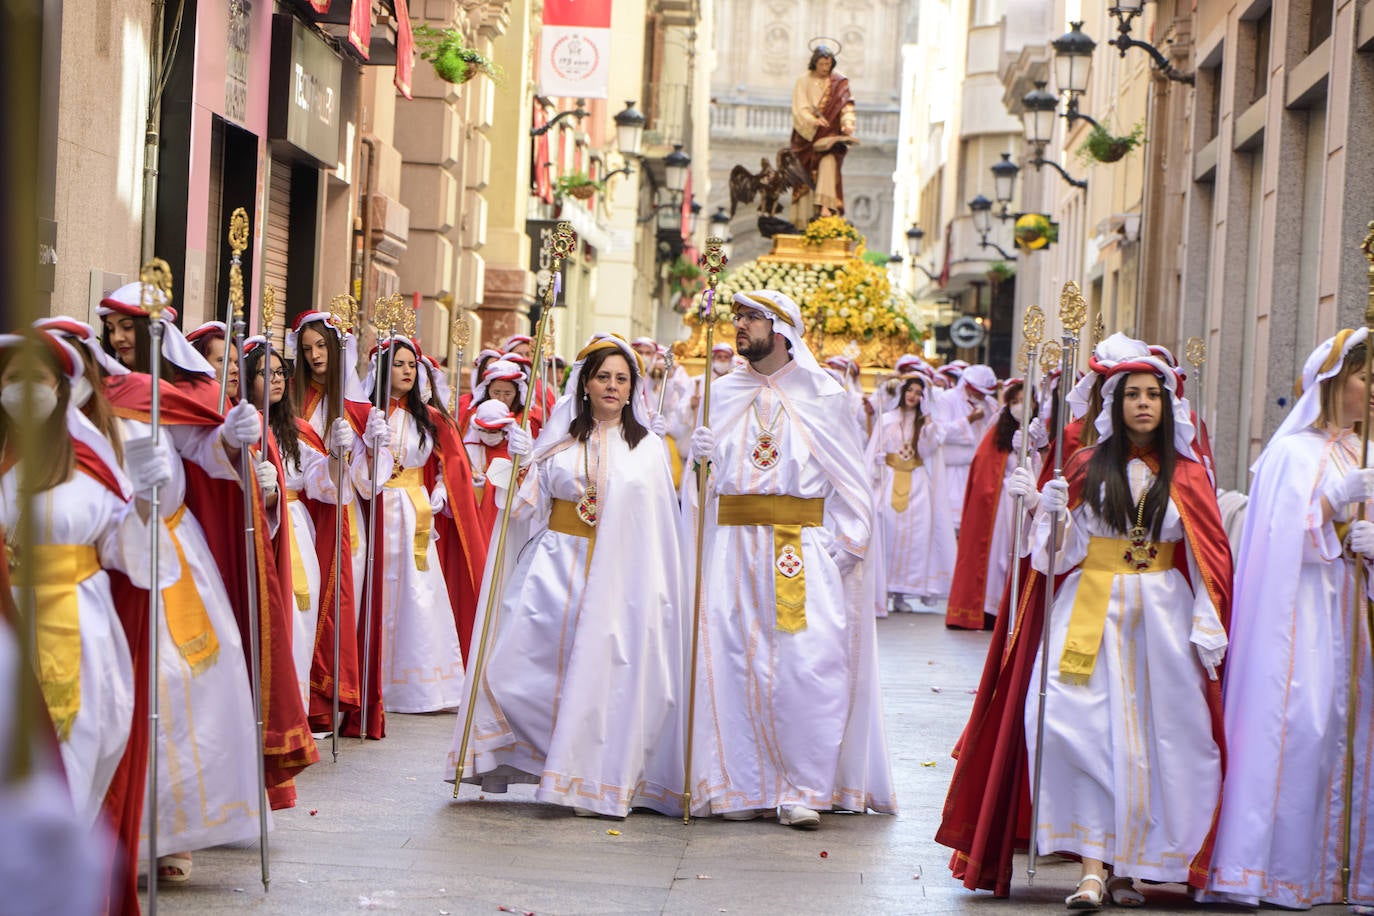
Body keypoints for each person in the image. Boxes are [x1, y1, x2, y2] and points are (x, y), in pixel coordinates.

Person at [447, 334, 688, 818]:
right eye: (604, 377)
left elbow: (661, 528)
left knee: (604, 676)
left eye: (622, 378)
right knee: (517, 672)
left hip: (620, 578)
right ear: (586, 385)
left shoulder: (648, 449)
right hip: (555, 568)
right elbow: (520, 508)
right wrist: (516, 466)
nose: (613, 386)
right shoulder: (559, 442)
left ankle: (587, 772)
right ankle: (547, 758)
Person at [685, 289, 894, 828]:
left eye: (749, 318)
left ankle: (802, 788)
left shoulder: (823, 394)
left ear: (779, 328)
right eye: (735, 317)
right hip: (731, 549)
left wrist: (835, 549)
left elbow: (853, 485)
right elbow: (696, 497)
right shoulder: (720, 393)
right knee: (730, 664)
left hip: (798, 550)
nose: (738, 326)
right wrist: (698, 465)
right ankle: (737, 788)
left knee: (806, 668)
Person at [1028, 358, 1230, 906]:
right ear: (1115, 404)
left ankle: (1128, 865)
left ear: (1167, 407)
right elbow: (1052, 562)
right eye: (1132, 394)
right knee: (1074, 725)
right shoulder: (1085, 465)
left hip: (1162, 614)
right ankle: (1093, 867)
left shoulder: (1186, 473)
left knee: (1158, 738)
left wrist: (1208, 622)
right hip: (1090, 606)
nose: (1143, 403)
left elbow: (1209, 557)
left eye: (1153, 395)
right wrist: (1049, 515)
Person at [1207, 328, 1374, 909]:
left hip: (1352, 608)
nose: (1372, 388)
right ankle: (1279, 869)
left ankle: (1341, 873)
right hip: (1301, 613)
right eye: (1362, 376)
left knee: (1348, 730)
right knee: (1302, 724)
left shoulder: (1362, 450)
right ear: (1331, 384)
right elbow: (1282, 539)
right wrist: (1332, 506)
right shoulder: (1290, 452)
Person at [0, 332, 172, 825]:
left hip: (80, 630)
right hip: (7, 631)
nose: (26, 390)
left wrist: (145, 499)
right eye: (14, 379)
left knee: (75, 751)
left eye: (39, 378)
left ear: (60, 389)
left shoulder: (91, 466)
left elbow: (128, 553)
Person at [347, 337, 476, 737]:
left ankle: (420, 685)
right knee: (376, 589)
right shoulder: (367, 416)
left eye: (411, 365)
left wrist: (439, 491)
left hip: (417, 510)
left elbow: (451, 465)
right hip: (379, 505)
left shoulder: (431, 418)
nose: (407, 371)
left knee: (418, 593)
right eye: (399, 364)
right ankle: (373, 679)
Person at [287, 310, 370, 735]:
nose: (315, 355)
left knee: (335, 603)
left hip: (339, 514)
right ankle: (304, 698)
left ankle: (327, 700)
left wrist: (368, 450)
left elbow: (367, 481)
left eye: (322, 346)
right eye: (307, 349)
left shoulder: (355, 409)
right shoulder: (293, 401)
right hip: (301, 510)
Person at [945, 380, 1045, 630]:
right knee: (1000, 556)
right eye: (1014, 402)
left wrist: (1035, 449)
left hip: (1030, 505)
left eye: (1025, 401)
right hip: (1002, 506)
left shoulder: (1040, 431)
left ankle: (1018, 609)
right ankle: (992, 609)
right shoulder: (998, 431)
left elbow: (1045, 470)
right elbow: (985, 468)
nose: (1020, 407)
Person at [865, 374, 955, 611]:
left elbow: (927, 451)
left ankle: (902, 594)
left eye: (919, 393)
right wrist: (877, 462)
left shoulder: (926, 425)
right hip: (890, 480)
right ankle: (882, 588)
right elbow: (874, 448)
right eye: (910, 391)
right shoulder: (886, 419)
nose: (913, 396)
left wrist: (927, 423)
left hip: (916, 484)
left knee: (914, 537)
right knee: (887, 531)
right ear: (903, 392)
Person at [790, 44, 856, 220]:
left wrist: (848, 123)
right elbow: (800, 108)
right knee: (803, 177)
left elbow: (846, 106)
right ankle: (803, 219)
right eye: (821, 64)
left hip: (830, 135)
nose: (825, 68)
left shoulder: (839, 82)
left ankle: (825, 207)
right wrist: (814, 120)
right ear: (814, 63)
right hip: (807, 137)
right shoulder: (803, 81)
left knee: (828, 161)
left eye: (828, 65)